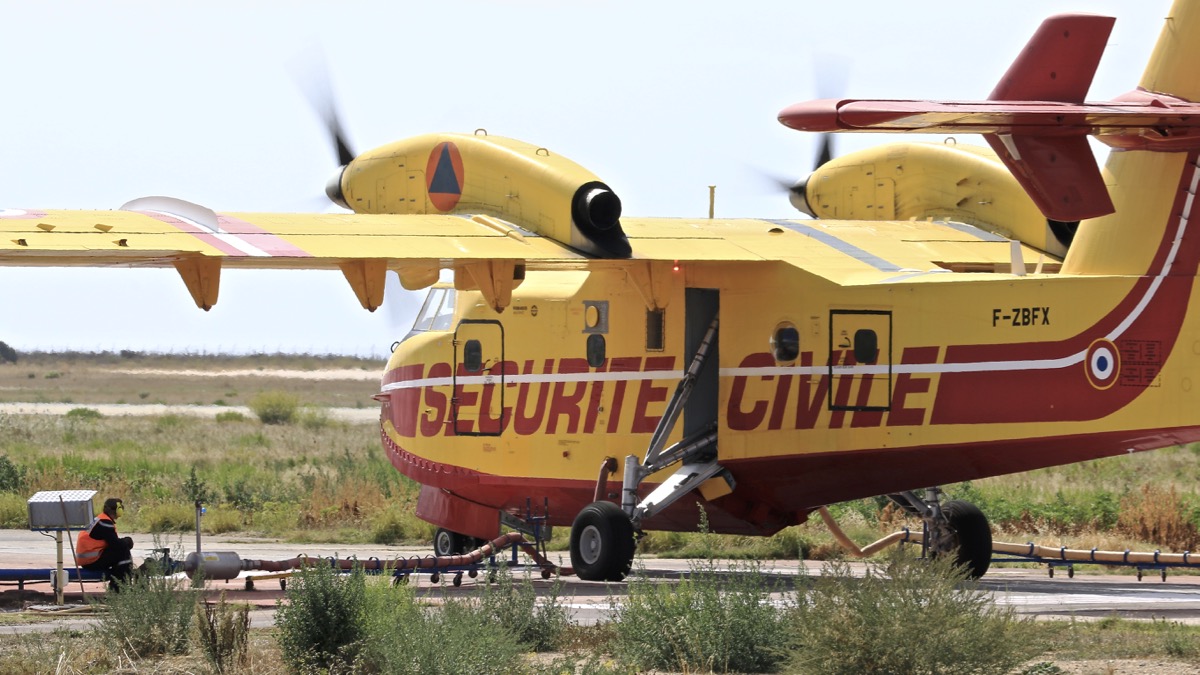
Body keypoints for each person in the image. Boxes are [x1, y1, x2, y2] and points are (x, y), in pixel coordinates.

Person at [76, 497, 134, 587]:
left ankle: (119, 584)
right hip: (92, 561)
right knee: (123, 551)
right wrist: (127, 541)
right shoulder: (105, 523)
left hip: (88, 559)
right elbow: (116, 544)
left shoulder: (101, 519)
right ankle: (120, 587)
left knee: (121, 551)